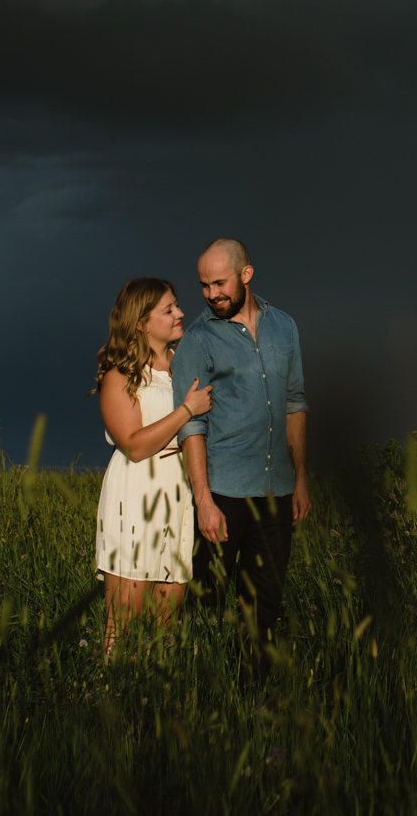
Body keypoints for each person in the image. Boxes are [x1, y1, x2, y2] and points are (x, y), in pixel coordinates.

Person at [172, 238, 309, 666]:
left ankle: (252, 709)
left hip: (277, 492)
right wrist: (204, 501)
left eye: (219, 283)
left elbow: (294, 401)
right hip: (224, 496)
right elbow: (192, 427)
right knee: (206, 609)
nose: (212, 294)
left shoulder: (285, 326)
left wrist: (301, 477)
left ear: (245, 275)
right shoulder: (197, 340)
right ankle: (203, 702)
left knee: (263, 609)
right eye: (203, 285)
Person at [93, 277, 214, 657]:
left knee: (169, 619)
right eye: (168, 309)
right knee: (123, 617)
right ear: (141, 322)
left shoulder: (186, 366)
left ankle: (155, 702)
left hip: (178, 494)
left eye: (177, 305)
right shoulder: (120, 374)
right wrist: (186, 410)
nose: (180, 313)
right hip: (135, 492)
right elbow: (132, 445)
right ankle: (105, 694)